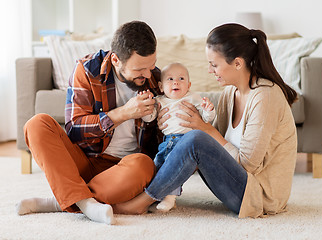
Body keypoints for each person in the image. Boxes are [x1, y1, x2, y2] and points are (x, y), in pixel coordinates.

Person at [111, 23, 298, 219]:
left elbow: (248, 164)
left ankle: (142, 202)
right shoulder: (230, 92)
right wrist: (176, 123)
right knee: (191, 138)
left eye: (214, 64)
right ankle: (157, 194)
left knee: (196, 138)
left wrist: (205, 129)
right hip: (238, 184)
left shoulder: (264, 96)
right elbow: (212, 148)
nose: (210, 70)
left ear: (237, 63)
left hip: (258, 197)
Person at [15, 21, 162, 225]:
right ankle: (85, 201)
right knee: (37, 124)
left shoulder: (157, 80)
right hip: (84, 161)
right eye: (140, 69)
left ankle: (63, 200)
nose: (147, 74)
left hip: (124, 170)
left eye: (151, 65)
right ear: (116, 59)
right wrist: (124, 113)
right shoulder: (87, 69)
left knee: (144, 165)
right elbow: (74, 129)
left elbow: (164, 141)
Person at [141, 62, 215, 212]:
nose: (176, 82)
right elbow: (149, 118)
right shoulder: (159, 100)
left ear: (188, 85)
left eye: (181, 79)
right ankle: (157, 194)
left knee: (174, 167)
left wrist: (208, 110)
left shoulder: (193, 98)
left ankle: (170, 197)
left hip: (186, 141)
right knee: (158, 166)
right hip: (166, 142)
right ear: (161, 87)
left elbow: (207, 119)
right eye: (170, 79)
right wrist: (146, 106)